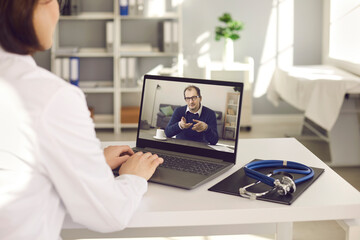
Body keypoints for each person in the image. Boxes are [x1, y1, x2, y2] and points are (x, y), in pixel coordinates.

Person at [0, 0, 163, 239]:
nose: (58, 13)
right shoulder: (51, 97)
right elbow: (109, 214)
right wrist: (134, 177)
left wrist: (90, 163)